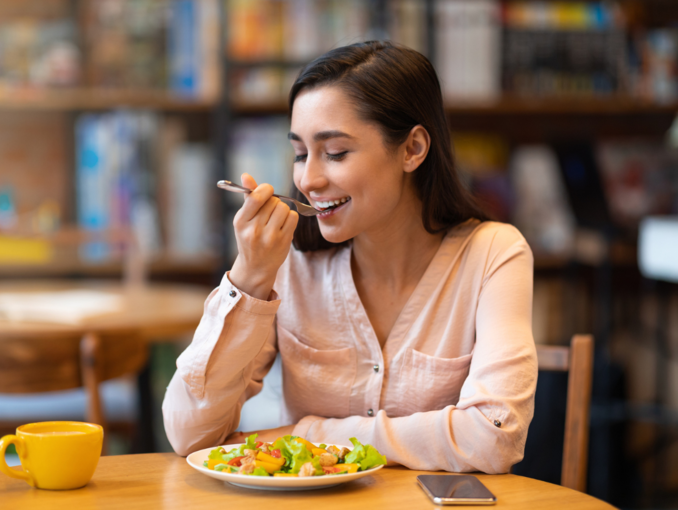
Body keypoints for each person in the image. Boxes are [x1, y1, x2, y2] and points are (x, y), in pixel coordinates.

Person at [163, 41, 537, 474]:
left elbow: (495, 436)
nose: (308, 179)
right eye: (300, 154)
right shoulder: (286, 264)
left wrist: (303, 436)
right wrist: (248, 278)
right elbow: (188, 434)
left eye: (336, 152)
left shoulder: (493, 254)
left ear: (412, 149)